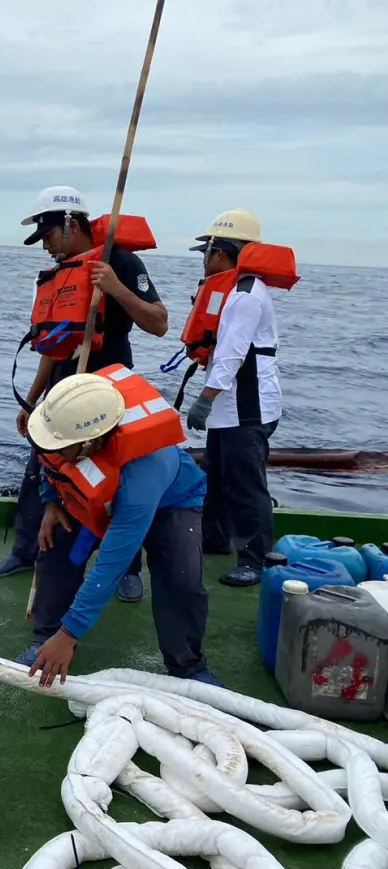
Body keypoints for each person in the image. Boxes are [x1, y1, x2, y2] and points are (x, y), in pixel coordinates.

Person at [0, 185, 169, 603]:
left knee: (117, 477)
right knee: (41, 470)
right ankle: (26, 550)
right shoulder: (60, 275)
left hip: (108, 391)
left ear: (70, 225)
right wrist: (32, 401)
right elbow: (52, 346)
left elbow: (159, 323)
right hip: (61, 393)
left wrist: (116, 288)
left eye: (48, 237)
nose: (46, 248)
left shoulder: (120, 262)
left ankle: (127, 566)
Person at [18, 364, 222, 688]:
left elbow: (111, 560)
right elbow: (51, 461)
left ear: (90, 443)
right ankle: (45, 637)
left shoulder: (144, 472)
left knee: (182, 578)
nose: (52, 450)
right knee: (56, 544)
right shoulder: (64, 425)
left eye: (61, 447)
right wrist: (51, 503)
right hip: (95, 498)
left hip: (171, 503)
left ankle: (187, 666)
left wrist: (71, 633)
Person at [180, 209, 298, 587]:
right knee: (216, 476)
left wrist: (204, 398)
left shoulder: (246, 294)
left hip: (247, 408)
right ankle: (215, 538)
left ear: (221, 251)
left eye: (206, 250)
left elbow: (232, 353)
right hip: (228, 410)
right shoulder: (235, 290)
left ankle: (257, 558)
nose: (204, 258)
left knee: (247, 485)